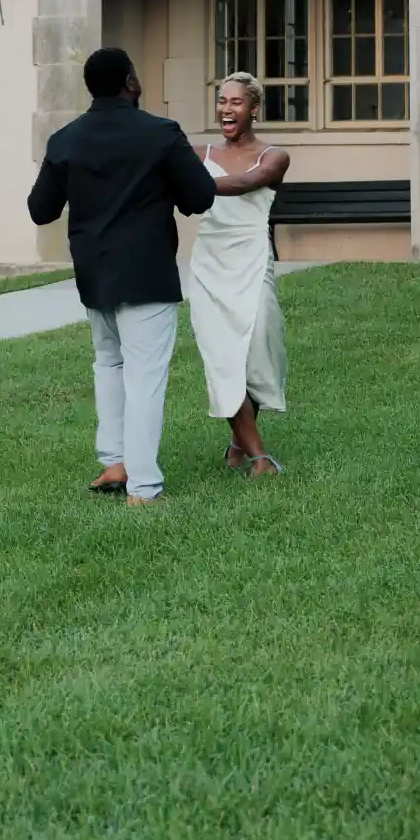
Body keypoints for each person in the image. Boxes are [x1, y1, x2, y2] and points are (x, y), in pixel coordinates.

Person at [26, 47, 215, 506]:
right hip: (147, 273)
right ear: (130, 81)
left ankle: (115, 463)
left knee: (109, 365)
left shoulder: (65, 139)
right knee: (145, 376)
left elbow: (40, 209)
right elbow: (201, 196)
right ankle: (144, 488)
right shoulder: (161, 134)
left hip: (94, 275)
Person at [187, 72, 291, 476]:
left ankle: (238, 440)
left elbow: (248, 183)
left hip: (252, 258)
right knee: (222, 355)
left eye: (236, 102)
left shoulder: (274, 156)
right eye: (222, 101)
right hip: (210, 263)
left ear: (254, 109)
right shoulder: (198, 153)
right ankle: (260, 457)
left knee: (258, 349)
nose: (227, 109)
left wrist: (192, 185)